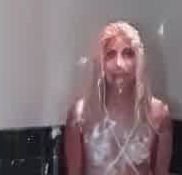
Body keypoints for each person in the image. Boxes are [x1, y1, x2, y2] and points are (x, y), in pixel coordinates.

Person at [64, 21, 172, 175]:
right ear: (101, 63)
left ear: (139, 61)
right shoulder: (80, 115)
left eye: (128, 54)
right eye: (110, 55)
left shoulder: (158, 114)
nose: (119, 64)